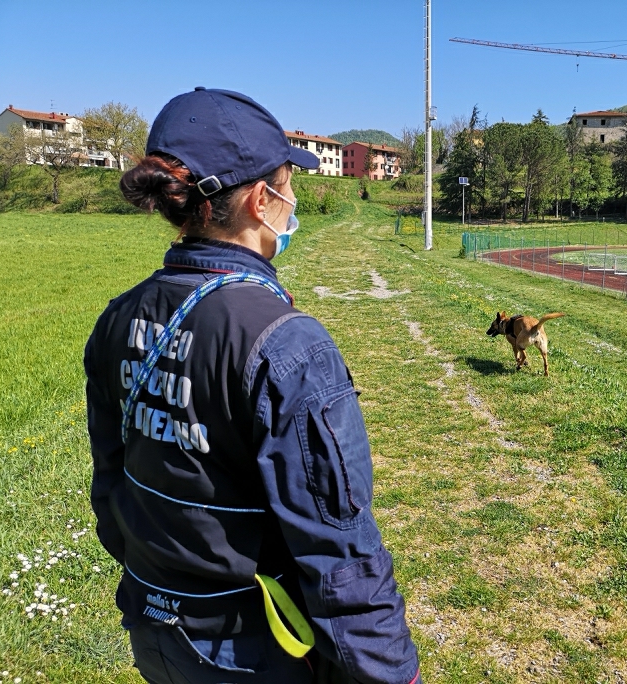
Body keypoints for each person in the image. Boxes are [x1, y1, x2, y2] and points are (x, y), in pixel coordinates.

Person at [84, 88, 421, 684]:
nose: (294, 203)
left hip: (154, 631)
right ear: (263, 201)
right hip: (251, 652)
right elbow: (339, 549)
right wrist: (390, 675)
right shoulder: (287, 342)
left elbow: (114, 487)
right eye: (290, 185)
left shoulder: (119, 316)